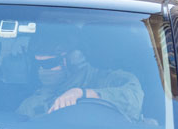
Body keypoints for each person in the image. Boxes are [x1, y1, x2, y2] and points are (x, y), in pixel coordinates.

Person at [16, 32, 144, 120]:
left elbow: (134, 100)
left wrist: (81, 93)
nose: (42, 69)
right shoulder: (35, 102)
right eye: (38, 64)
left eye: (49, 63)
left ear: (74, 59)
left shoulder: (111, 79)